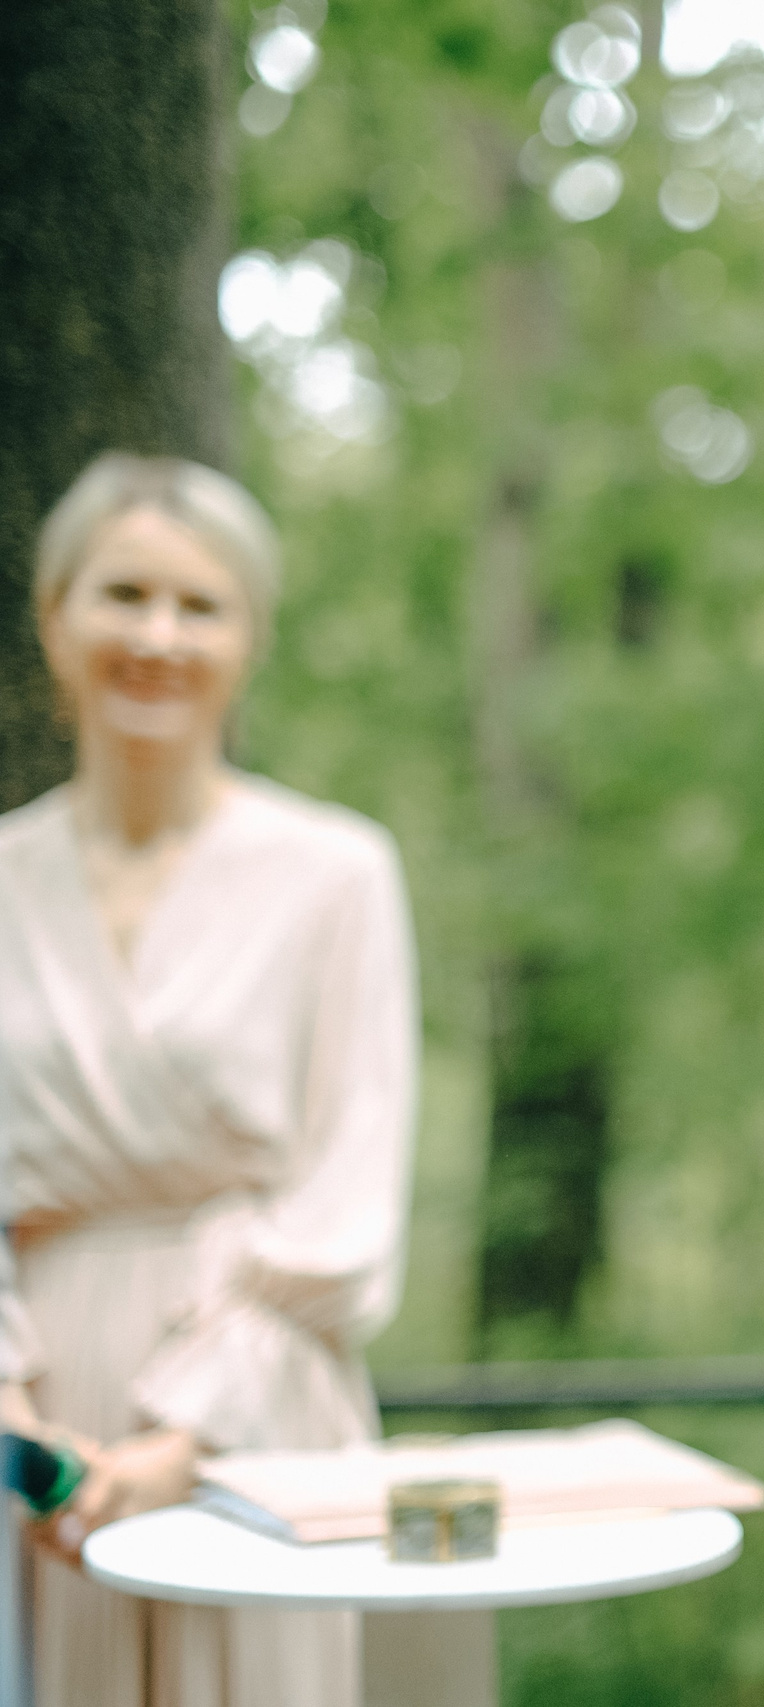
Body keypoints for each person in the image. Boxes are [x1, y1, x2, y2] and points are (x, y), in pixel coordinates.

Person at [0, 454, 418, 1707]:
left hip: (260, 1419)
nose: (157, 636)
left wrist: (179, 1445)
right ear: (53, 615)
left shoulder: (335, 874)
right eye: (122, 594)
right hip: (32, 1436)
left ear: (249, 639)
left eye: (199, 605)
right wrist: (18, 1422)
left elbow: (349, 1199)